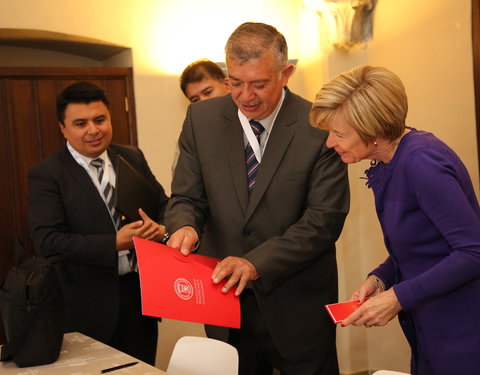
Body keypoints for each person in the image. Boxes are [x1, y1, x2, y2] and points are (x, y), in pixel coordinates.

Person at [165, 22, 349, 375]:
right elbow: (186, 197)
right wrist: (184, 225)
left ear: (286, 73)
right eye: (235, 82)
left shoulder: (320, 125)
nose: (246, 95)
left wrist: (255, 263)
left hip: (297, 305)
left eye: (259, 84)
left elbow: (323, 220)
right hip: (224, 305)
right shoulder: (201, 120)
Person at [310, 65, 480, 375]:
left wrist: (398, 297)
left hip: (462, 326)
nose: (330, 142)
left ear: (373, 131)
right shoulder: (390, 159)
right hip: (430, 321)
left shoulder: (421, 163)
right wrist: (381, 278)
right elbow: (423, 243)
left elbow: (473, 251)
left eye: (339, 133)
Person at [27, 81, 169, 365]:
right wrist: (116, 243)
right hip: (85, 306)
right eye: (81, 123)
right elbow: (48, 241)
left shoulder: (131, 156)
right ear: (63, 128)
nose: (93, 130)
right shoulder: (47, 174)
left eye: (100, 119)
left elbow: (164, 206)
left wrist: (162, 229)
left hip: (139, 297)